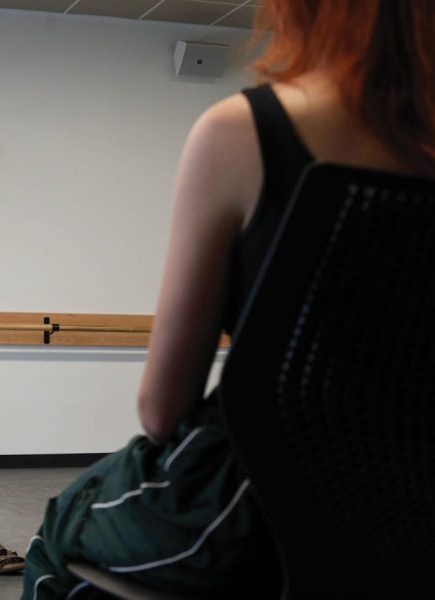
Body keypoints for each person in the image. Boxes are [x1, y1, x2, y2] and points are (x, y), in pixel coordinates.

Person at [22, 0, 435, 597]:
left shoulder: (244, 131)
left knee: (62, 528)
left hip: (254, 515)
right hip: (418, 518)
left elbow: (162, 411)